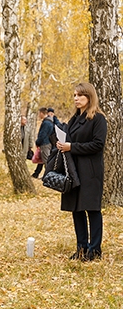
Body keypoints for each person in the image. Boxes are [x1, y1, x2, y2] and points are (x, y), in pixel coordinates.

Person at [57, 83, 107, 262]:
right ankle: (81, 248)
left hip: (91, 171)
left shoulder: (98, 119)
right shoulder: (74, 119)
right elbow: (70, 140)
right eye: (74, 95)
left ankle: (94, 250)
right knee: (76, 209)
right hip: (74, 171)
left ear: (89, 97)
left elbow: (98, 144)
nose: (76, 98)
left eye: (80, 95)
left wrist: (72, 147)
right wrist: (62, 143)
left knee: (92, 210)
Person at [32, 107, 55, 179]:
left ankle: (49, 176)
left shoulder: (46, 123)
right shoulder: (50, 121)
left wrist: (37, 142)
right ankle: (38, 174)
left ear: (42, 113)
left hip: (45, 143)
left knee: (46, 160)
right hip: (48, 143)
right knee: (43, 160)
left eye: (39, 113)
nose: (39, 115)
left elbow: (43, 134)